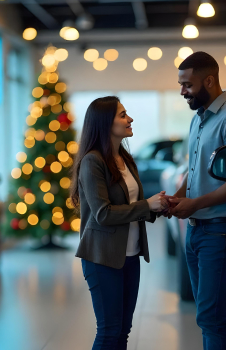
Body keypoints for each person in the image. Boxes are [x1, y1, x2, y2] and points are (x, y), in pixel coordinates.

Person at [165, 52, 226, 350]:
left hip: (218, 229)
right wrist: (177, 197)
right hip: (196, 230)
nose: (182, 92)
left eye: (187, 85)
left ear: (209, 80)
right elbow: (196, 170)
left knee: (210, 317)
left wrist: (197, 204)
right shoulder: (199, 120)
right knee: (211, 317)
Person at [70, 96, 168, 350]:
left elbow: (131, 206)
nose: (130, 119)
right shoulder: (92, 162)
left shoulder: (125, 158)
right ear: (104, 123)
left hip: (130, 256)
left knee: (123, 331)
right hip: (102, 257)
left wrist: (159, 207)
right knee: (109, 331)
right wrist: (148, 205)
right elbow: (103, 214)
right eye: (123, 115)